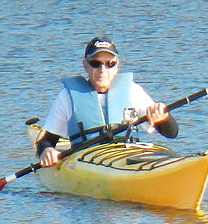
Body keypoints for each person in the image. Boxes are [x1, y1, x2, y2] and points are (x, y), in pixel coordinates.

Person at [34, 36, 177, 167]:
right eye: (95, 63)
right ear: (85, 66)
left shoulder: (133, 91)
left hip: (127, 157)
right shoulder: (67, 96)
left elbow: (172, 133)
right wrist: (46, 151)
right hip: (88, 161)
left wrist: (163, 117)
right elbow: (45, 141)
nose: (103, 70)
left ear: (117, 66)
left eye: (110, 64)